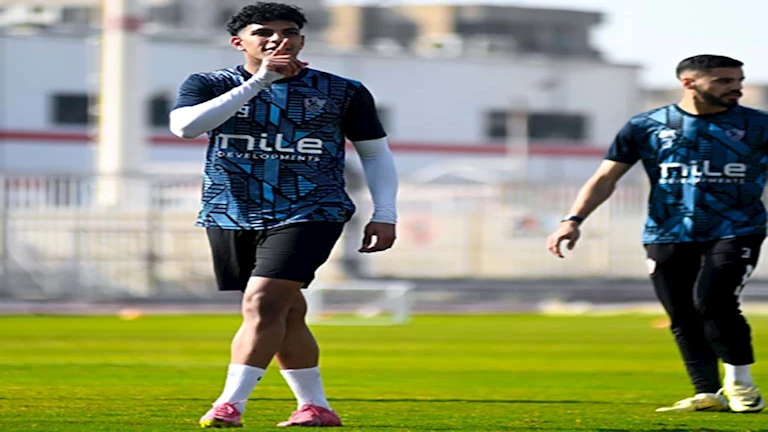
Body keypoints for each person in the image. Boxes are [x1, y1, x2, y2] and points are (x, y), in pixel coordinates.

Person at [169, 2, 398, 428]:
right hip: (230, 211)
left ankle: (230, 405)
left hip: (312, 209)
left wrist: (385, 212)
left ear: (302, 40)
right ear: (239, 42)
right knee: (285, 311)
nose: (278, 39)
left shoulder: (342, 91)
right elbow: (186, 128)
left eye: (289, 32)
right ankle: (315, 406)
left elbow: (375, 154)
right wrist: (260, 81)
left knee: (262, 302)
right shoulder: (208, 83)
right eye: (264, 32)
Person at [546, 54, 766, 413]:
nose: (736, 88)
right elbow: (605, 177)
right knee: (682, 314)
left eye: (738, 81)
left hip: (737, 228)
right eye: (724, 81)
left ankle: (741, 385)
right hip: (667, 231)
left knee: (714, 302)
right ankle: (707, 393)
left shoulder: (758, 125)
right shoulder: (646, 125)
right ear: (689, 83)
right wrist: (572, 219)